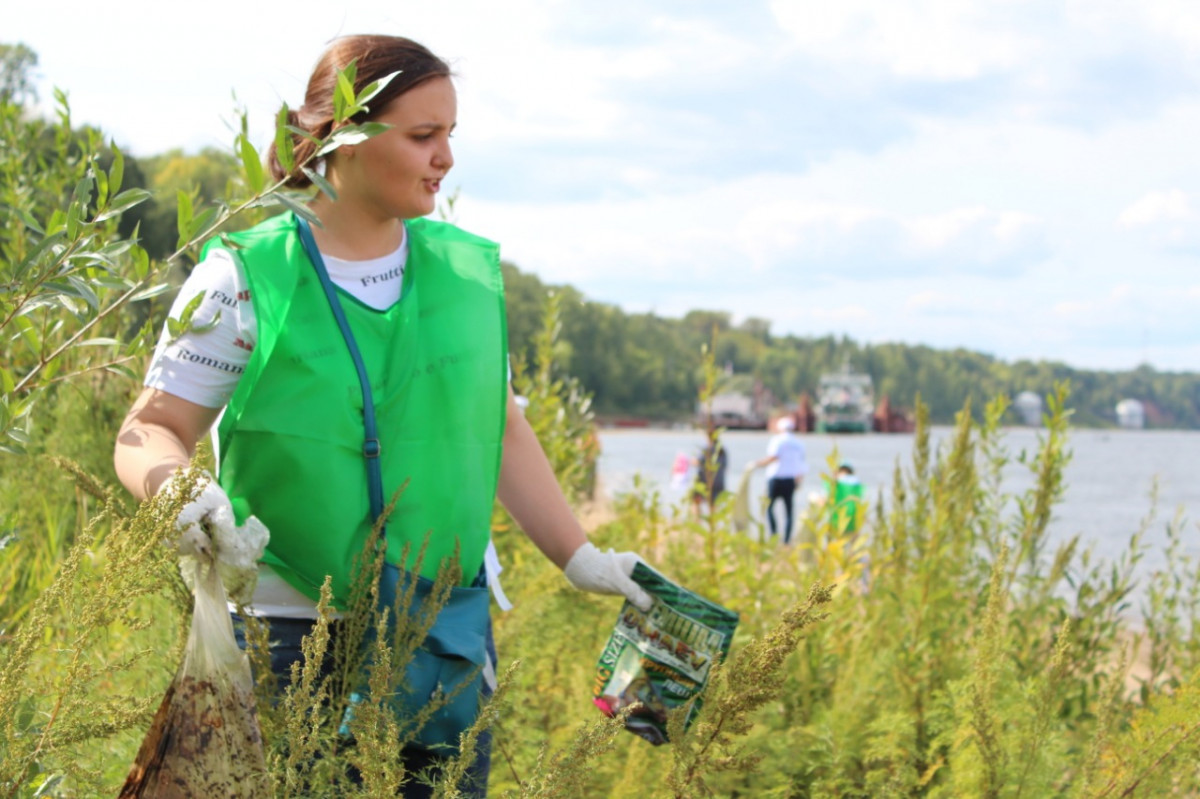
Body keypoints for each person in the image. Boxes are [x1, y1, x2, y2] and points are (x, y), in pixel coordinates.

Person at [113, 34, 651, 798]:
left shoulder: (461, 280)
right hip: (287, 636)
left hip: (440, 637)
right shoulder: (244, 276)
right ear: (346, 138)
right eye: (423, 135)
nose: (446, 158)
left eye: (451, 136)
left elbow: (498, 429)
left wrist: (579, 556)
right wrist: (173, 488)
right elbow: (149, 427)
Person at [752, 416, 808, 544]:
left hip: (775, 479)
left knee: (769, 508)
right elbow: (801, 465)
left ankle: (773, 535)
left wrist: (757, 464)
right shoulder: (799, 443)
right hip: (790, 480)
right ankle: (786, 541)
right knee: (789, 511)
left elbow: (773, 457)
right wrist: (799, 481)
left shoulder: (777, 440)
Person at [690, 427, 728, 515]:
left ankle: (697, 522)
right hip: (719, 482)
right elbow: (725, 467)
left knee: (695, 502)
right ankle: (713, 527)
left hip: (705, 481)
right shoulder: (722, 450)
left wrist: (688, 460)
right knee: (714, 507)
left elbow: (698, 461)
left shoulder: (707, 449)